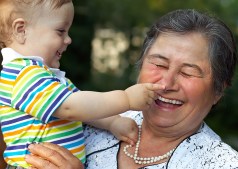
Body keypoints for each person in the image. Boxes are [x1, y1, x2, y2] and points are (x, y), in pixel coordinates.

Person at [24, 9, 238, 168]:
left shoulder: (226, 165)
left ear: (218, 90)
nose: (166, 84)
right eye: (159, 64)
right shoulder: (86, 120)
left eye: (188, 72)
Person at [0, 0, 165, 168]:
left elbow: (85, 108)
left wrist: (112, 122)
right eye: (60, 31)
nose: (68, 39)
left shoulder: (45, 76)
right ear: (21, 30)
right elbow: (72, 108)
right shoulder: (23, 76)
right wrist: (126, 99)